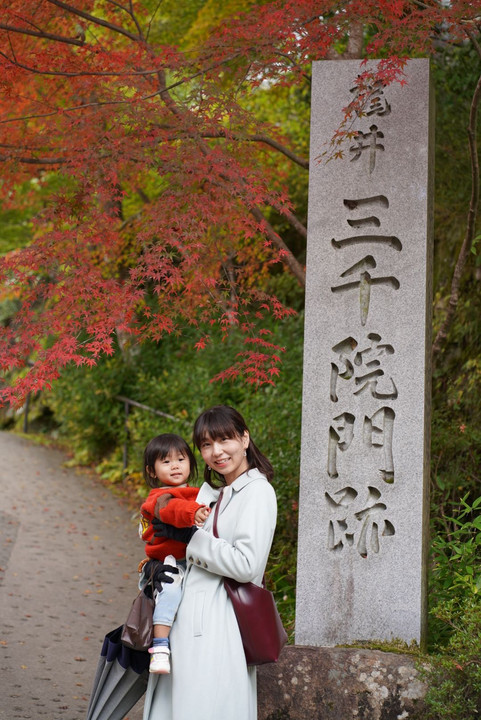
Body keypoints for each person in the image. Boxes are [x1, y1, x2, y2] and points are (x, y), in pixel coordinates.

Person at [142, 405, 277, 720]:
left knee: (203, 707)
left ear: (244, 439)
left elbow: (247, 565)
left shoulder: (257, 492)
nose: (216, 452)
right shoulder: (213, 494)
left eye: (225, 440)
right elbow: (167, 541)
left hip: (218, 625)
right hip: (186, 622)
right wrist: (151, 570)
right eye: (205, 445)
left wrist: (192, 539)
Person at [139, 433, 211, 674]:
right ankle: (160, 647)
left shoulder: (198, 492)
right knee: (169, 591)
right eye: (166, 462)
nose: (176, 466)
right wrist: (195, 513)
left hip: (193, 561)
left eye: (181, 459)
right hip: (169, 564)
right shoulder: (159, 498)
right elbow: (172, 509)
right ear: (152, 471)